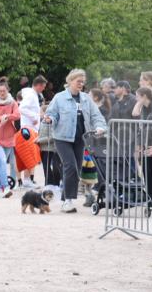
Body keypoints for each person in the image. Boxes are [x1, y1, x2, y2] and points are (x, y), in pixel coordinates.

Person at [44, 69, 107, 213]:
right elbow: (52, 114)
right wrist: (50, 119)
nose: (81, 84)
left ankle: (67, 199)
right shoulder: (59, 97)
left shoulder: (86, 98)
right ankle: (68, 201)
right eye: (78, 81)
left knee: (76, 169)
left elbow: (96, 115)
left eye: (82, 81)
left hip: (81, 138)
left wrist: (100, 127)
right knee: (70, 166)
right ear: (70, 81)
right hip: (62, 138)